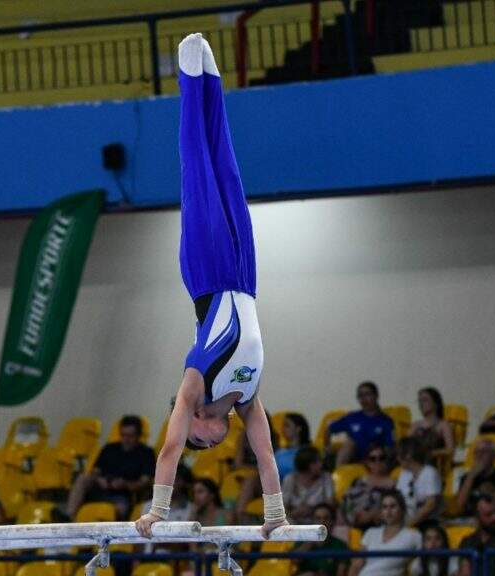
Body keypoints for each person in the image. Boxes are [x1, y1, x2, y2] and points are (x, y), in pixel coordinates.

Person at [135, 33, 285, 539]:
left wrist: (158, 511)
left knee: (196, 166)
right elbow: (265, 451)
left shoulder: (194, 384)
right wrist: (275, 515)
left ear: (196, 419)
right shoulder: (247, 395)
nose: (210, 443)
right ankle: (213, 78)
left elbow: (168, 450)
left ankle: (188, 80)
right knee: (227, 166)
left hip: (205, 273)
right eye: (208, 444)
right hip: (245, 276)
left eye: (201, 440)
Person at [69, 415, 157, 519]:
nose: (126, 439)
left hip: (124, 494)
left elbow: (144, 481)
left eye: (130, 436)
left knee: (121, 508)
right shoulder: (109, 448)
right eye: (123, 435)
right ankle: (69, 516)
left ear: (138, 435)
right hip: (101, 488)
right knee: (82, 479)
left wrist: (125, 484)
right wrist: (100, 480)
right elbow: (96, 472)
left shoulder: (146, 453)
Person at [348, 490, 422, 576]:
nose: (388, 511)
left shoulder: (414, 536)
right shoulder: (371, 533)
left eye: (393, 506)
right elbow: (356, 565)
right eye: (385, 507)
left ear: (402, 510)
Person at [328, 381, 396, 466]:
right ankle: (338, 475)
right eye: (360, 395)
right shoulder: (351, 417)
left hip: (375, 460)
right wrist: (327, 446)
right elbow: (329, 429)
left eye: (367, 394)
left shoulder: (386, 421)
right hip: (353, 459)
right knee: (350, 442)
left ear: (376, 396)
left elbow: (390, 448)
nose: (364, 399)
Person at [343, 443, 396, 529]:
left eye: (381, 458)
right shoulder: (357, 482)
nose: (377, 462)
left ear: (386, 460)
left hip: (382, 525)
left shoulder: (394, 485)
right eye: (373, 459)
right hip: (356, 523)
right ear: (367, 462)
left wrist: (371, 515)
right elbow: (347, 504)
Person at [456, 438, 495, 516]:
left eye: (483, 452)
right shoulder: (466, 477)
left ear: (494, 456)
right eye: (476, 452)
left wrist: (492, 494)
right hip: (469, 519)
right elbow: (460, 505)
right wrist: (471, 477)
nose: (479, 455)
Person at [281, 446, 335, 524]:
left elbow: (331, 504)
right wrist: (294, 513)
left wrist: (312, 510)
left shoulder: (326, 478)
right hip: (294, 520)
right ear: (307, 465)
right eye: (317, 462)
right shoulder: (290, 479)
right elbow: (282, 507)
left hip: (318, 521)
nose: (321, 464)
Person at [395, 437, 443, 525]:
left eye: (399, 455)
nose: (397, 459)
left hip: (427, 521)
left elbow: (430, 504)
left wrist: (409, 524)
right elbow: (399, 498)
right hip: (405, 520)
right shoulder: (404, 474)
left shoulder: (429, 472)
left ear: (408, 455)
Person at [294, 502, 349, 576]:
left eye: (326, 518)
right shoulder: (302, 542)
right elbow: (294, 560)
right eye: (318, 518)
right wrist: (310, 543)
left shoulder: (341, 545)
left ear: (332, 521)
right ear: (313, 522)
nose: (322, 522)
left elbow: (341, 573)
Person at [410, 388, 455, 469]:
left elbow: (450, 449)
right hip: (413, 465)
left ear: (436, 403)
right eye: (419, 401)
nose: (421, 404)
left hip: (433, 466)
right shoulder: (415, 425)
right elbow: (406, 446)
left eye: (425, 400)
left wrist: (432, 453)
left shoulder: (443, 425)